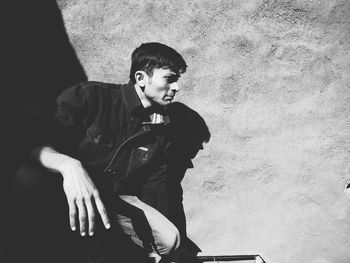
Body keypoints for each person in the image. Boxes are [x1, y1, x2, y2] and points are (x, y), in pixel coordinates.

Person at [6, 42, 209, 263]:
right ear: (141, 78)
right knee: (26, 178)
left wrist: (181, 252)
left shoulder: (162, 131)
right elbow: (29, 141)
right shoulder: (91, 97)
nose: (176, 87)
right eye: (170, 79)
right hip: (63, 191)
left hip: (116, 202)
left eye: (177, 80)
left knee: (170, 240)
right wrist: (69, 165)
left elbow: (158, 191)